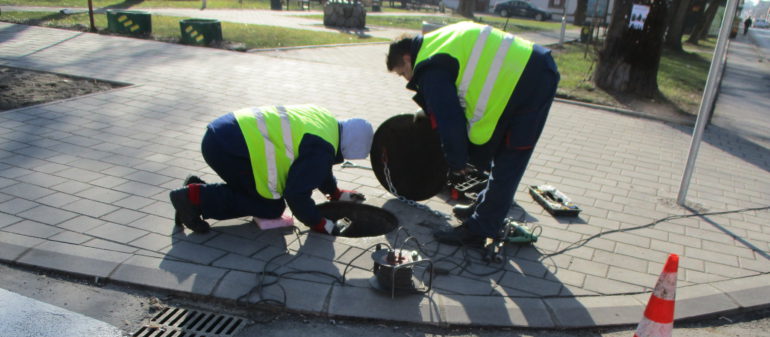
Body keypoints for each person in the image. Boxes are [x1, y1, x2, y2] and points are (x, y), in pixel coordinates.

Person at [386, 21, 560, 246]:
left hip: (531, 80)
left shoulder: (430, 67)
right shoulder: (437, 43)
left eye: (403, 73)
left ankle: (480, 229)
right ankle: (484, 207)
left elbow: (450, 118)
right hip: (524, 73)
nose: (408, 80)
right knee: (502, 152)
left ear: (408, 59)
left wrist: (457, 161)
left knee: (511, 155)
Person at [170, 104, 373, 235]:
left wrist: (334, 192)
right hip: (231, 150)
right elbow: (296, 194)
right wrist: (319, 223)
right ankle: (191, 198)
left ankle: (200, 192)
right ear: (348, 147)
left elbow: (317, 168)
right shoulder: (322, 148)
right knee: (271, 208)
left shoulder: (326, 121)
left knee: (254, 193)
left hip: (224, 134)